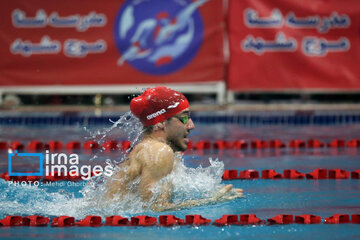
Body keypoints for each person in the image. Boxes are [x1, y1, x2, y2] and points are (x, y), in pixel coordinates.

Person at [105, 86, 243, 211]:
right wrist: (213, 200)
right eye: (184, 118)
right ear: (160, 123)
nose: (191, 125)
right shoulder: (159, 151)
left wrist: (208, 190)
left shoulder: (151, 149)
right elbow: (154, 209)